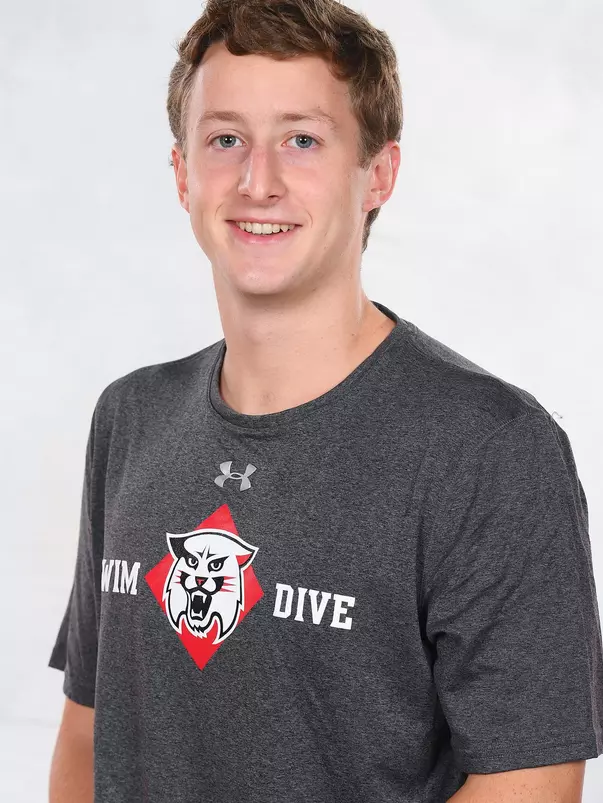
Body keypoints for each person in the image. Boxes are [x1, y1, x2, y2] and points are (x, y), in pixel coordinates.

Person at [47, 1, 603, 801]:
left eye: (301, 140)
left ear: (378, 174)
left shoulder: (491, 448)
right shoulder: (130, 418)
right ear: (181, 173)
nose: (258, 181)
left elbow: (530, 784)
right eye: (225, 139)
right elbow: (87, 731)